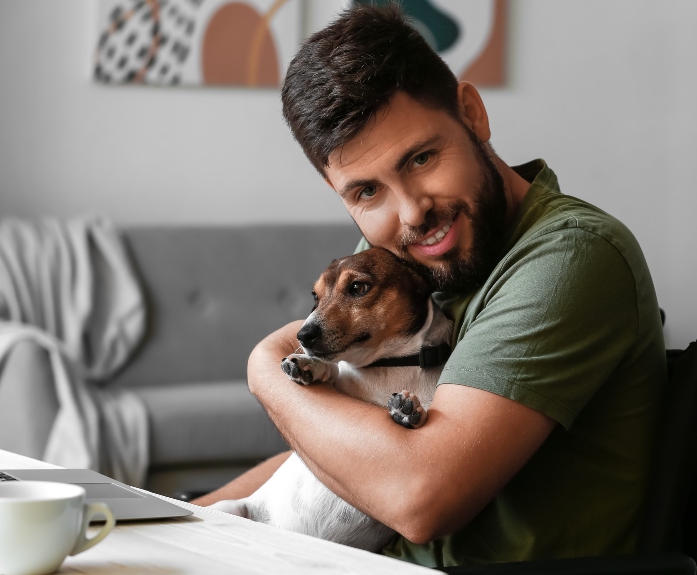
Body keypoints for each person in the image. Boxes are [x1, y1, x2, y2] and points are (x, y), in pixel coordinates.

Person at [194, 4, 666, 568]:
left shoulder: (568, 258)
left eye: (421, 158)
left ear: (472, 114)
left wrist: (266, 369)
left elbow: (418, 499)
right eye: (366, 192)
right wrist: (191, 513)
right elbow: (343, 452)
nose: (412, 213)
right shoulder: (436, 276)